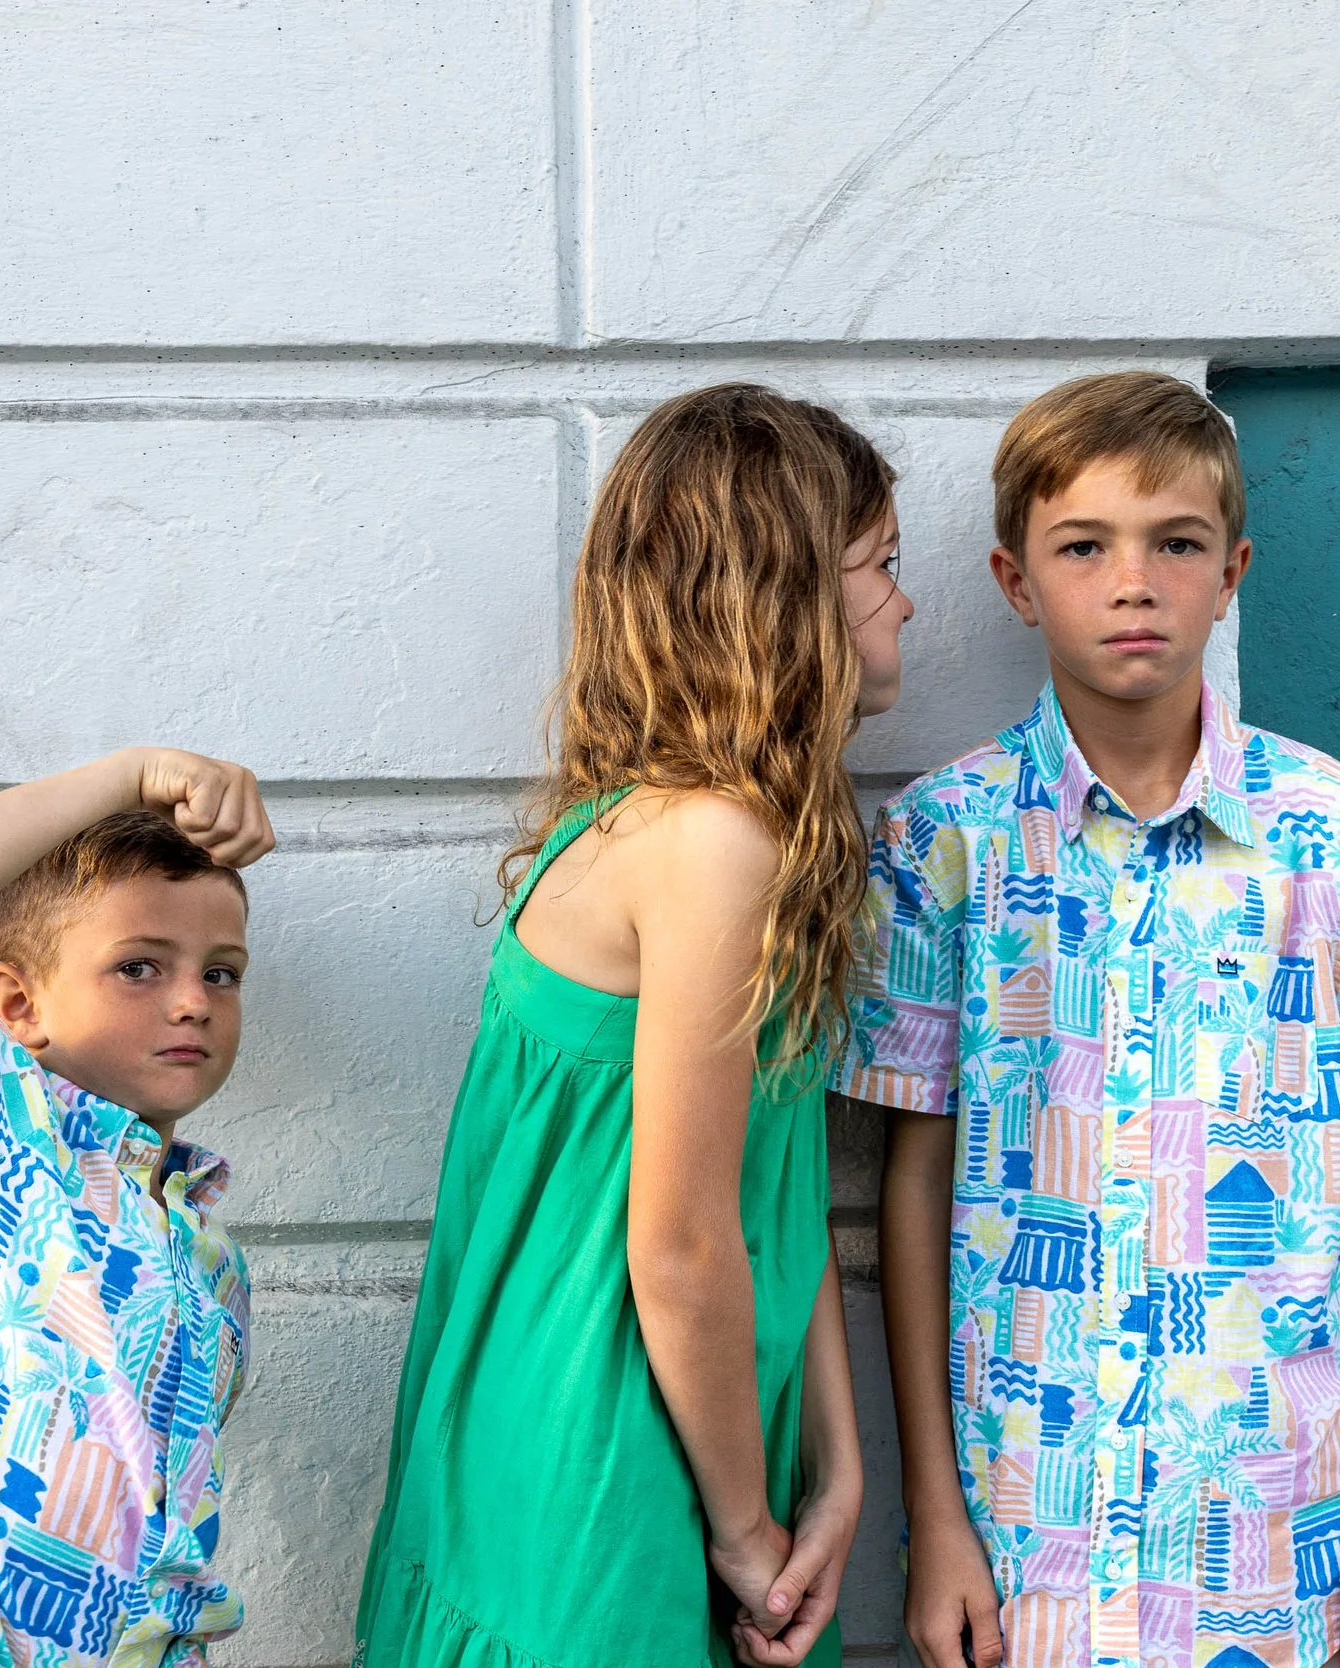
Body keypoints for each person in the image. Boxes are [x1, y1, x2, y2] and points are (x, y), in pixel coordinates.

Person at [846, 372, 1340, 1668]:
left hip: (1283, 1528)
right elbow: (914, 1178)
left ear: (1230, 572)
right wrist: (936, 1517)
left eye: (1176, 544)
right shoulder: (944, 841)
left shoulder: (1339, 838)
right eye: (1084, 547)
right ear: (1017, 581)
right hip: (1031, 1530)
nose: (1133, 584)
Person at [353, 384, 913, 1668]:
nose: (903, 605)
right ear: (786, 598)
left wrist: (835, 1474)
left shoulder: (644, 825)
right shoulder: (713, 846)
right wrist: (744, 1530)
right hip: (612, 1468)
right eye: (880, 566)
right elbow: (678, 1246)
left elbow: (771, 1197)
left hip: (635, 1443)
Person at [0, 749, 276, 1667]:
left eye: (221, 973)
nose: (192, 1002)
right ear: (18, 1004)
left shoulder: (210, 1254)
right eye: (139, 967)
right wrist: (141, 774)